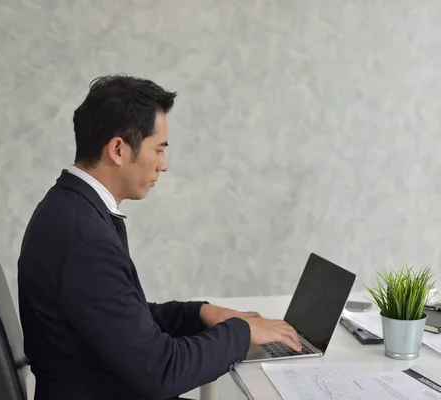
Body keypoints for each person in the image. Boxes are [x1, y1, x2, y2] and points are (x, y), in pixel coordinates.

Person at [17, 74, 302, 400]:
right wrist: (243, 332)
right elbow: (161, 371)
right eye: (159, 149)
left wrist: (197, 314)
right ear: (118, 150)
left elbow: (122, 318)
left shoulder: (69, 207)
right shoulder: (85, 240)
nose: (164, 165)